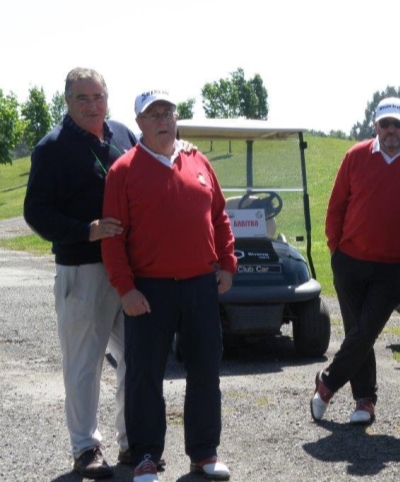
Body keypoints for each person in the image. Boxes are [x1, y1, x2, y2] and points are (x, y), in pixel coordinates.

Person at [101, 90, 236, 482]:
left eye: (168, 112)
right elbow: (113, 238)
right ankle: (145, 455)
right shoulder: (123, 170)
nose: (162, 120)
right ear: (139, 123)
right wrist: (125, 289)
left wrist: (227, 263)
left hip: (199, 284)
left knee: (206, 370)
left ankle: (204, 452)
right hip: (149, 289)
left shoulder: (198, 161)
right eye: (153, 114)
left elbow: (220, 217)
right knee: (144, 374)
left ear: (177, 118)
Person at [311, 97, 400, 425]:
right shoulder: (356, 156)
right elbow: (336, 208)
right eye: (384, 124)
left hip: (393, 265)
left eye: (397, 124)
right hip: (349, 261)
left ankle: (327, 383)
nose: (391, 130)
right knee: (356, 331)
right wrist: (335, 251)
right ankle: (365, 401)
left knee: (366, 331)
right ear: (375, 126)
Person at [23, 67, 136, 479]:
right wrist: (84, 231)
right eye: (82, 99)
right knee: (84, 364)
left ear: (109, 97)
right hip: (82, 270)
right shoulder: (52, 147)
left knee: (137, 357)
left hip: (128, 268)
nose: (92, 105)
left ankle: (132, 442)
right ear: (67, 103)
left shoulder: (124, 136)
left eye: (98, 96)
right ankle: (85, 447)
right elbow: (35, 211)